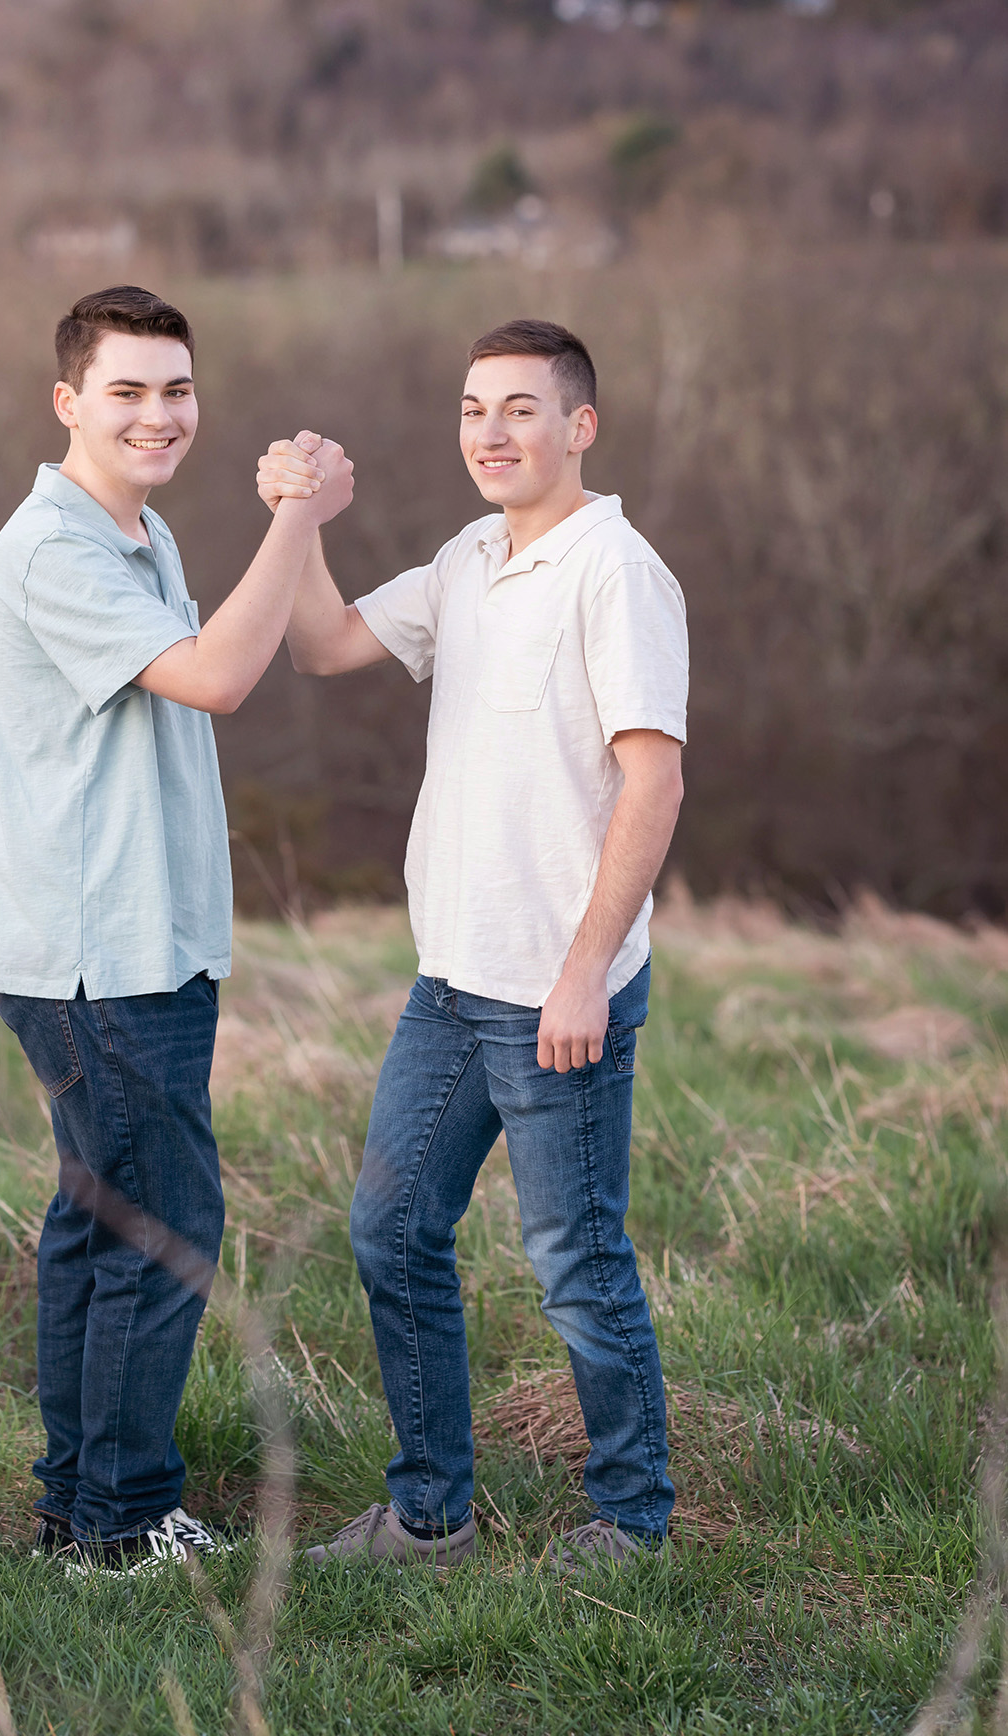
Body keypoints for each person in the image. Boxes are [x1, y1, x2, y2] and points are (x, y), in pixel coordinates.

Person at [256, 317, 687, 1575]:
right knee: (390, 1231)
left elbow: (651, 786)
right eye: (470, 410)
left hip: (561, 990)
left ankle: (633, 1521)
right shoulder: (471, 555)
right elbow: (326, 643)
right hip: (451, 981)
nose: (489, 434)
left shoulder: (618, 569)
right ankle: (432, 1513)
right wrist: (302, 517)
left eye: (518, 410)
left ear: (578, 426)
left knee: (575, 1263)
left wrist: (582, 973)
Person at [0, 285, 352, 1574]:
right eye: (128, 390)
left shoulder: (136, 534)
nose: (159, 412)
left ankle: (79, 1510)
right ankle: (126, 1522)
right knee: (167, 1220)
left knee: (101, 1217)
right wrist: (299, 518)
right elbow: (219, 674)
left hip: (147, 945)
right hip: (102, 956)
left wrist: (282, 530)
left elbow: (212, 661)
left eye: (177, 389)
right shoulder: (57, 547)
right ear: (69, 400)